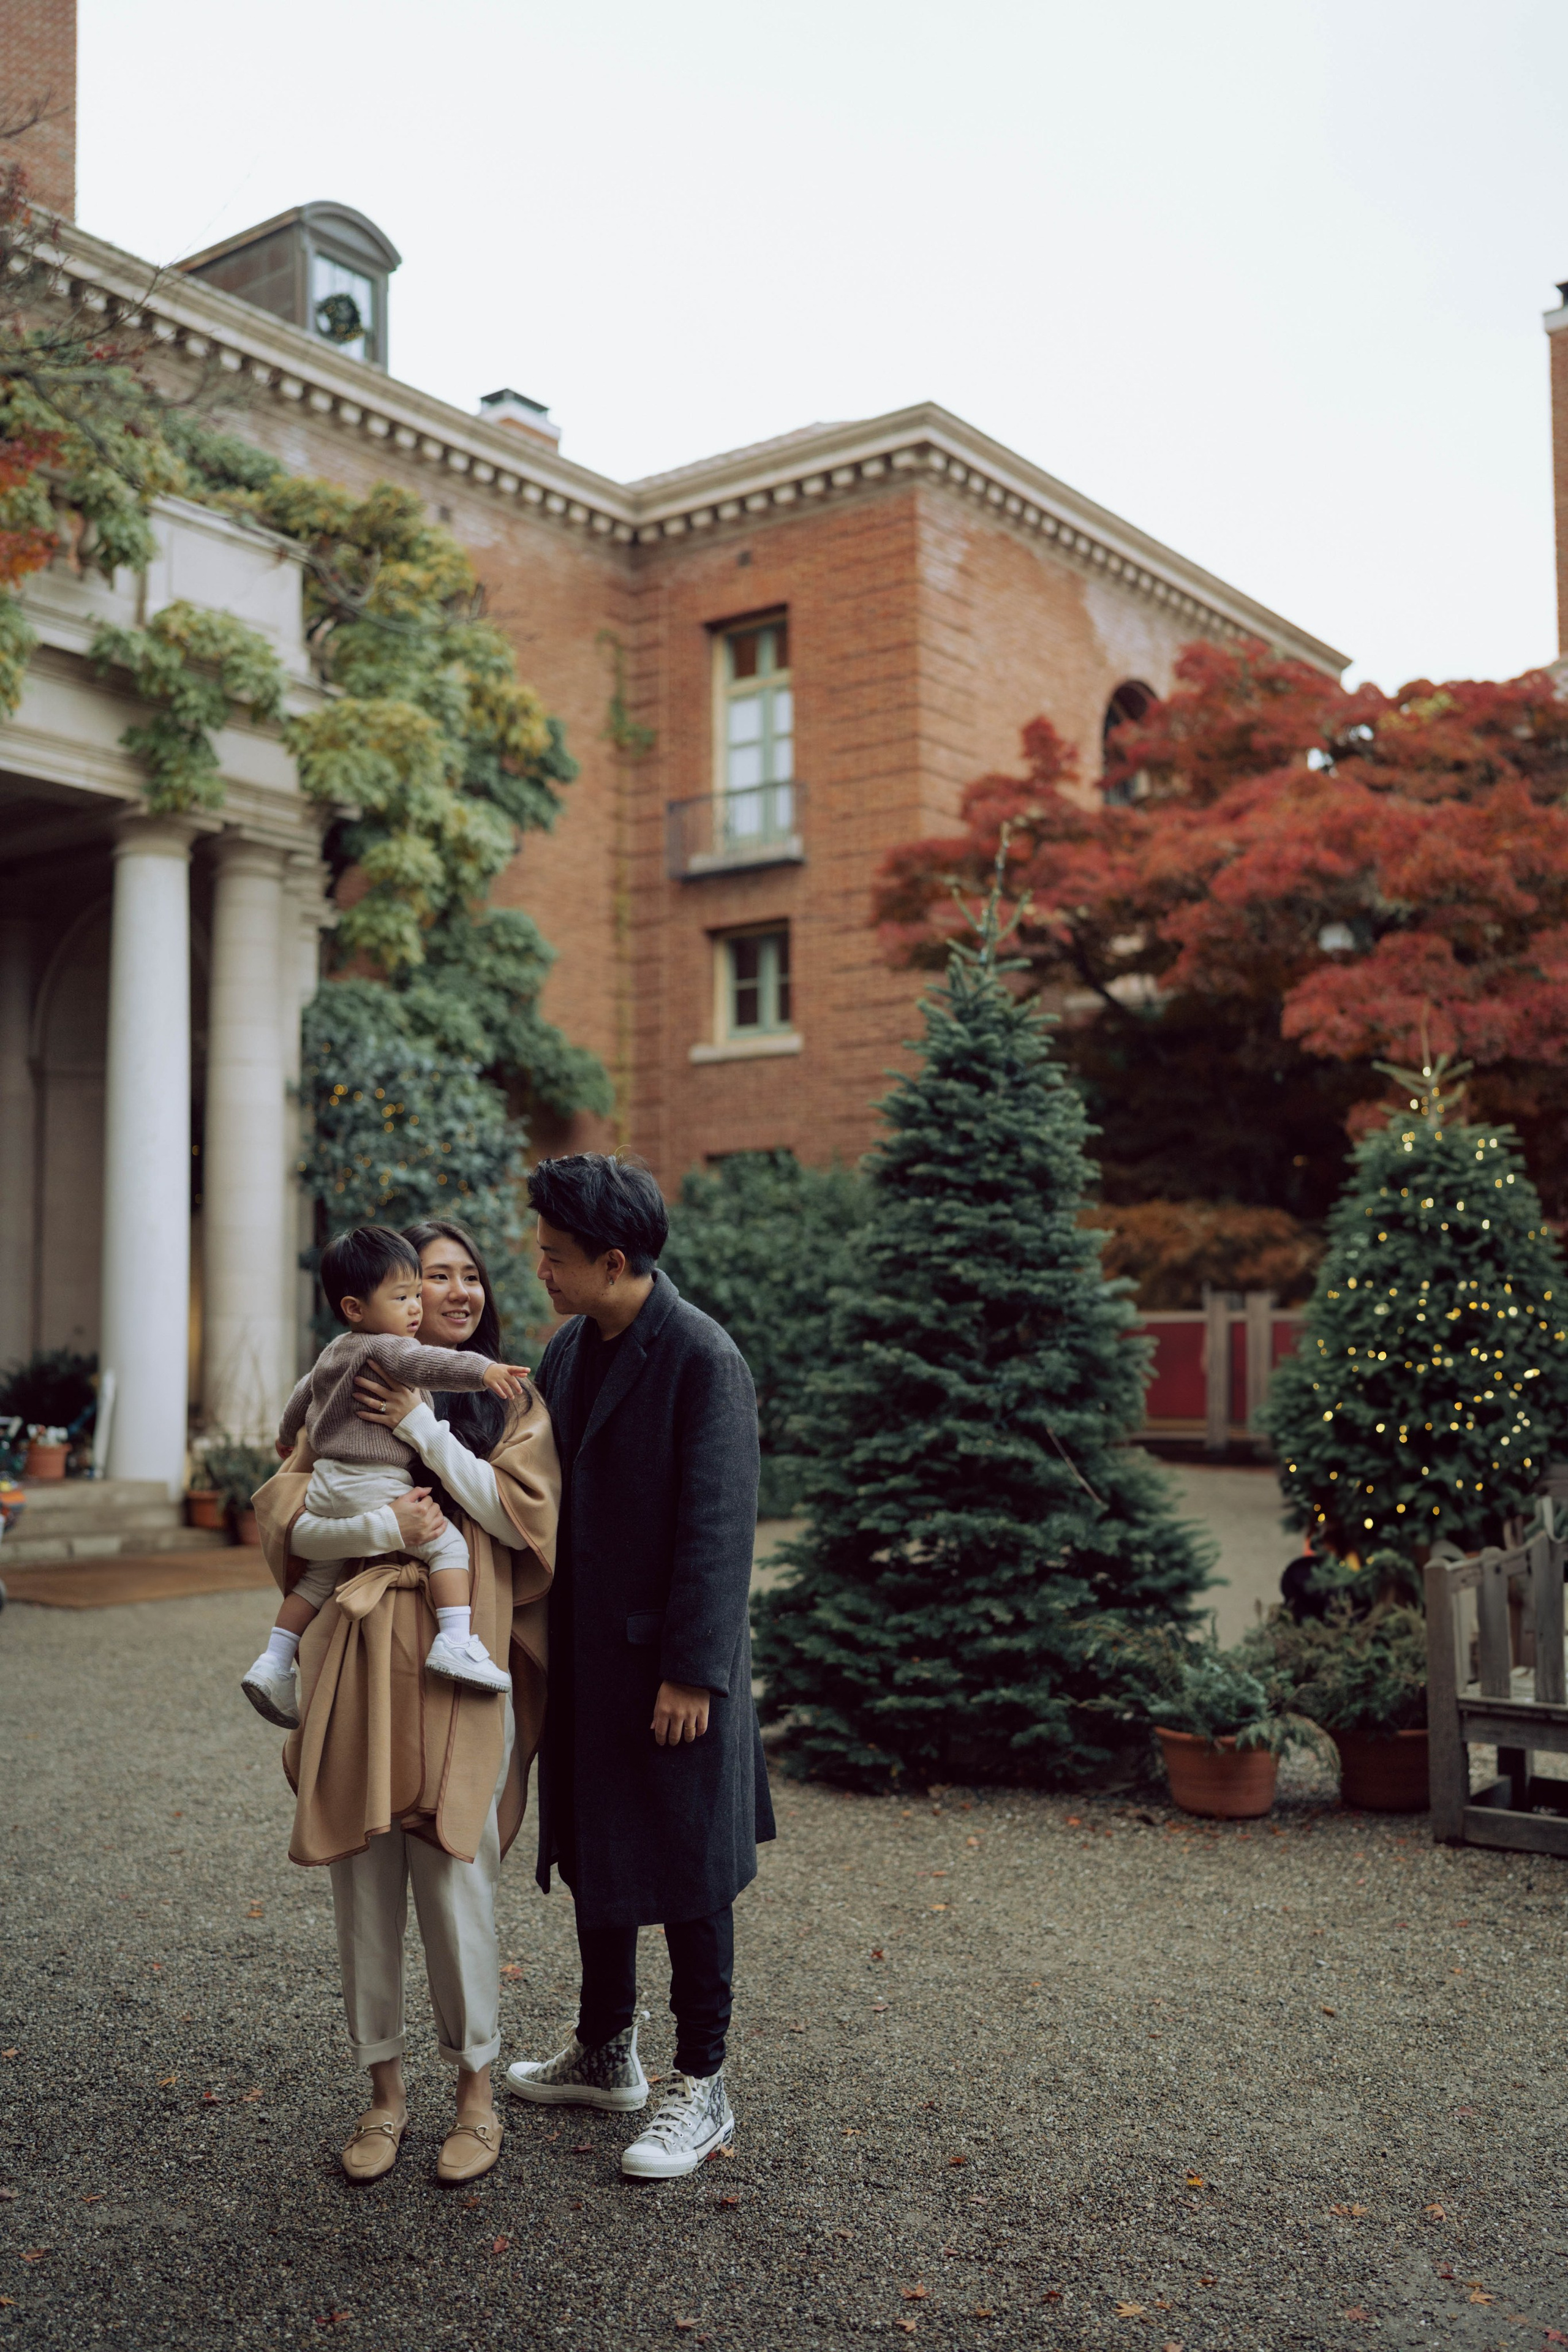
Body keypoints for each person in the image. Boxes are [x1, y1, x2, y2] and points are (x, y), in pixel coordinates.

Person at [251, 1218, 557, 2188]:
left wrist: (423, 1423)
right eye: (435, 1278)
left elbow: (516, 1515)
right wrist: (380, 1524)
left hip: (458, 1658)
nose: (456, 1293)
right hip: (355, 1648)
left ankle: (476, 2093)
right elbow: (289, 1520)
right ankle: (383, 2092)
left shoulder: (507, 1400)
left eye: (471, 1277)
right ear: (399, 1299)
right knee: (364, 1875)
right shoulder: (348, 1381)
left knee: (455, 1868)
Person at [504, 1153, 775, 2180]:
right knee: (600, 1857)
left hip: (671, 1674)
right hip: (586, 1662)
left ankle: (702, 2085)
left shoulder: (704, 1357)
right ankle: (605, 2050)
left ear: (616, 1260)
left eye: (556, 1258)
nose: (542, 1271)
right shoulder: (573, 1349)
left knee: (694, 1870)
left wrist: (695, 1674)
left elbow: (720, 1527)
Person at [242, 1224, 529, 1728]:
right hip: (365, 1612)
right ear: (359, 1305)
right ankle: (457, 1640)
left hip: (332, 1486)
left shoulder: (335, 1354)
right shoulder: (392, 1351)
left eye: (469, 1276)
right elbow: (289, 1533)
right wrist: (484, 1371)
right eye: (422, 1285)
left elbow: (299, 1398)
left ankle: (272, 1661)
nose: (420, 1304)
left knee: (312, 1584)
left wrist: (291, 1434)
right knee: (447, 1546)